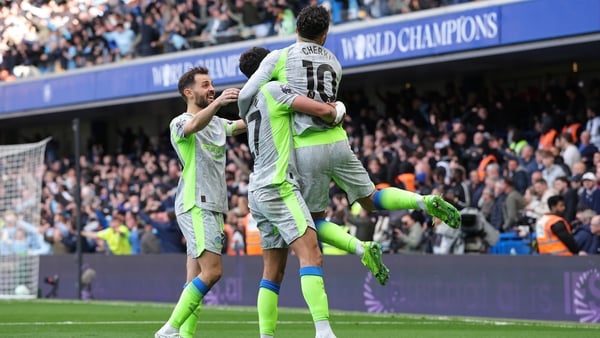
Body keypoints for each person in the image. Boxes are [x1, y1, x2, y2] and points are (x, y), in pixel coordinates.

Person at [238, 4, 461, 282]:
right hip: (338, 140)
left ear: (296, 30)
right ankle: (422, 201)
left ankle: (359, 250)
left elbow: (247, 94)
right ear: (324, 35)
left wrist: (248, 111)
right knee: (370, 199)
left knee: (314, 222)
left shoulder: (280, 57)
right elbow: (326, 102)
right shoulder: (334, 63)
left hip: (306, 148)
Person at [238, 46, 343, 338]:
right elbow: (322, 110)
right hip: (277, 185)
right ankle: (323, 332)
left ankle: (266, 335)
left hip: (257, 188)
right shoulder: (274, 88)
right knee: (312, 254)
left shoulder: (249, 104)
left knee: (273, 271)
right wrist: (339, 109)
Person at [154, 66, 247, 338]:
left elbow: (238, 126)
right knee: (213, 272)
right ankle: (169, 330)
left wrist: (266, 110)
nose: (211, 89)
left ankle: (185, 335)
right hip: (196, 203)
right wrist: (218, 103)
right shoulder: (179, 122)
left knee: (194, 279)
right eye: (205, 85)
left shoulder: (217, 124)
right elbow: (194, 125)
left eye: (212, 84)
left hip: (214, 205)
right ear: (188, 92)